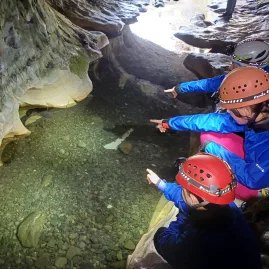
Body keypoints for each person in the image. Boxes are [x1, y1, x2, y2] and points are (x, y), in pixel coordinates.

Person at [150, 67, 269, 193]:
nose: (227, 111)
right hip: (255, 161)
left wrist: (213, 149)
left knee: (215, 183)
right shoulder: (255, 115)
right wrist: (170, 123)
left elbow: (253, 180)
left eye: (232, 109)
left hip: (258, 183)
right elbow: (211, 121)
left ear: (247, 109)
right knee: (209, 135)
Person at [146, 153, 262, 269]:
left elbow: (165, 243)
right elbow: (190, 197)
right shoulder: (225, 204)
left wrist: (184, 216)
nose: (181, 190)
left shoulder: (193, 240)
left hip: (203, 256)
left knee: (160, 234)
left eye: (183, 188)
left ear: (192, 199)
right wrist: (161, 185)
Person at [164, 38, 269, 101]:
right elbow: (211, 83)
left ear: (252, 69)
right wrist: (180, 88)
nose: (230, 68)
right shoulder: (255, 75)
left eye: (235, 66)